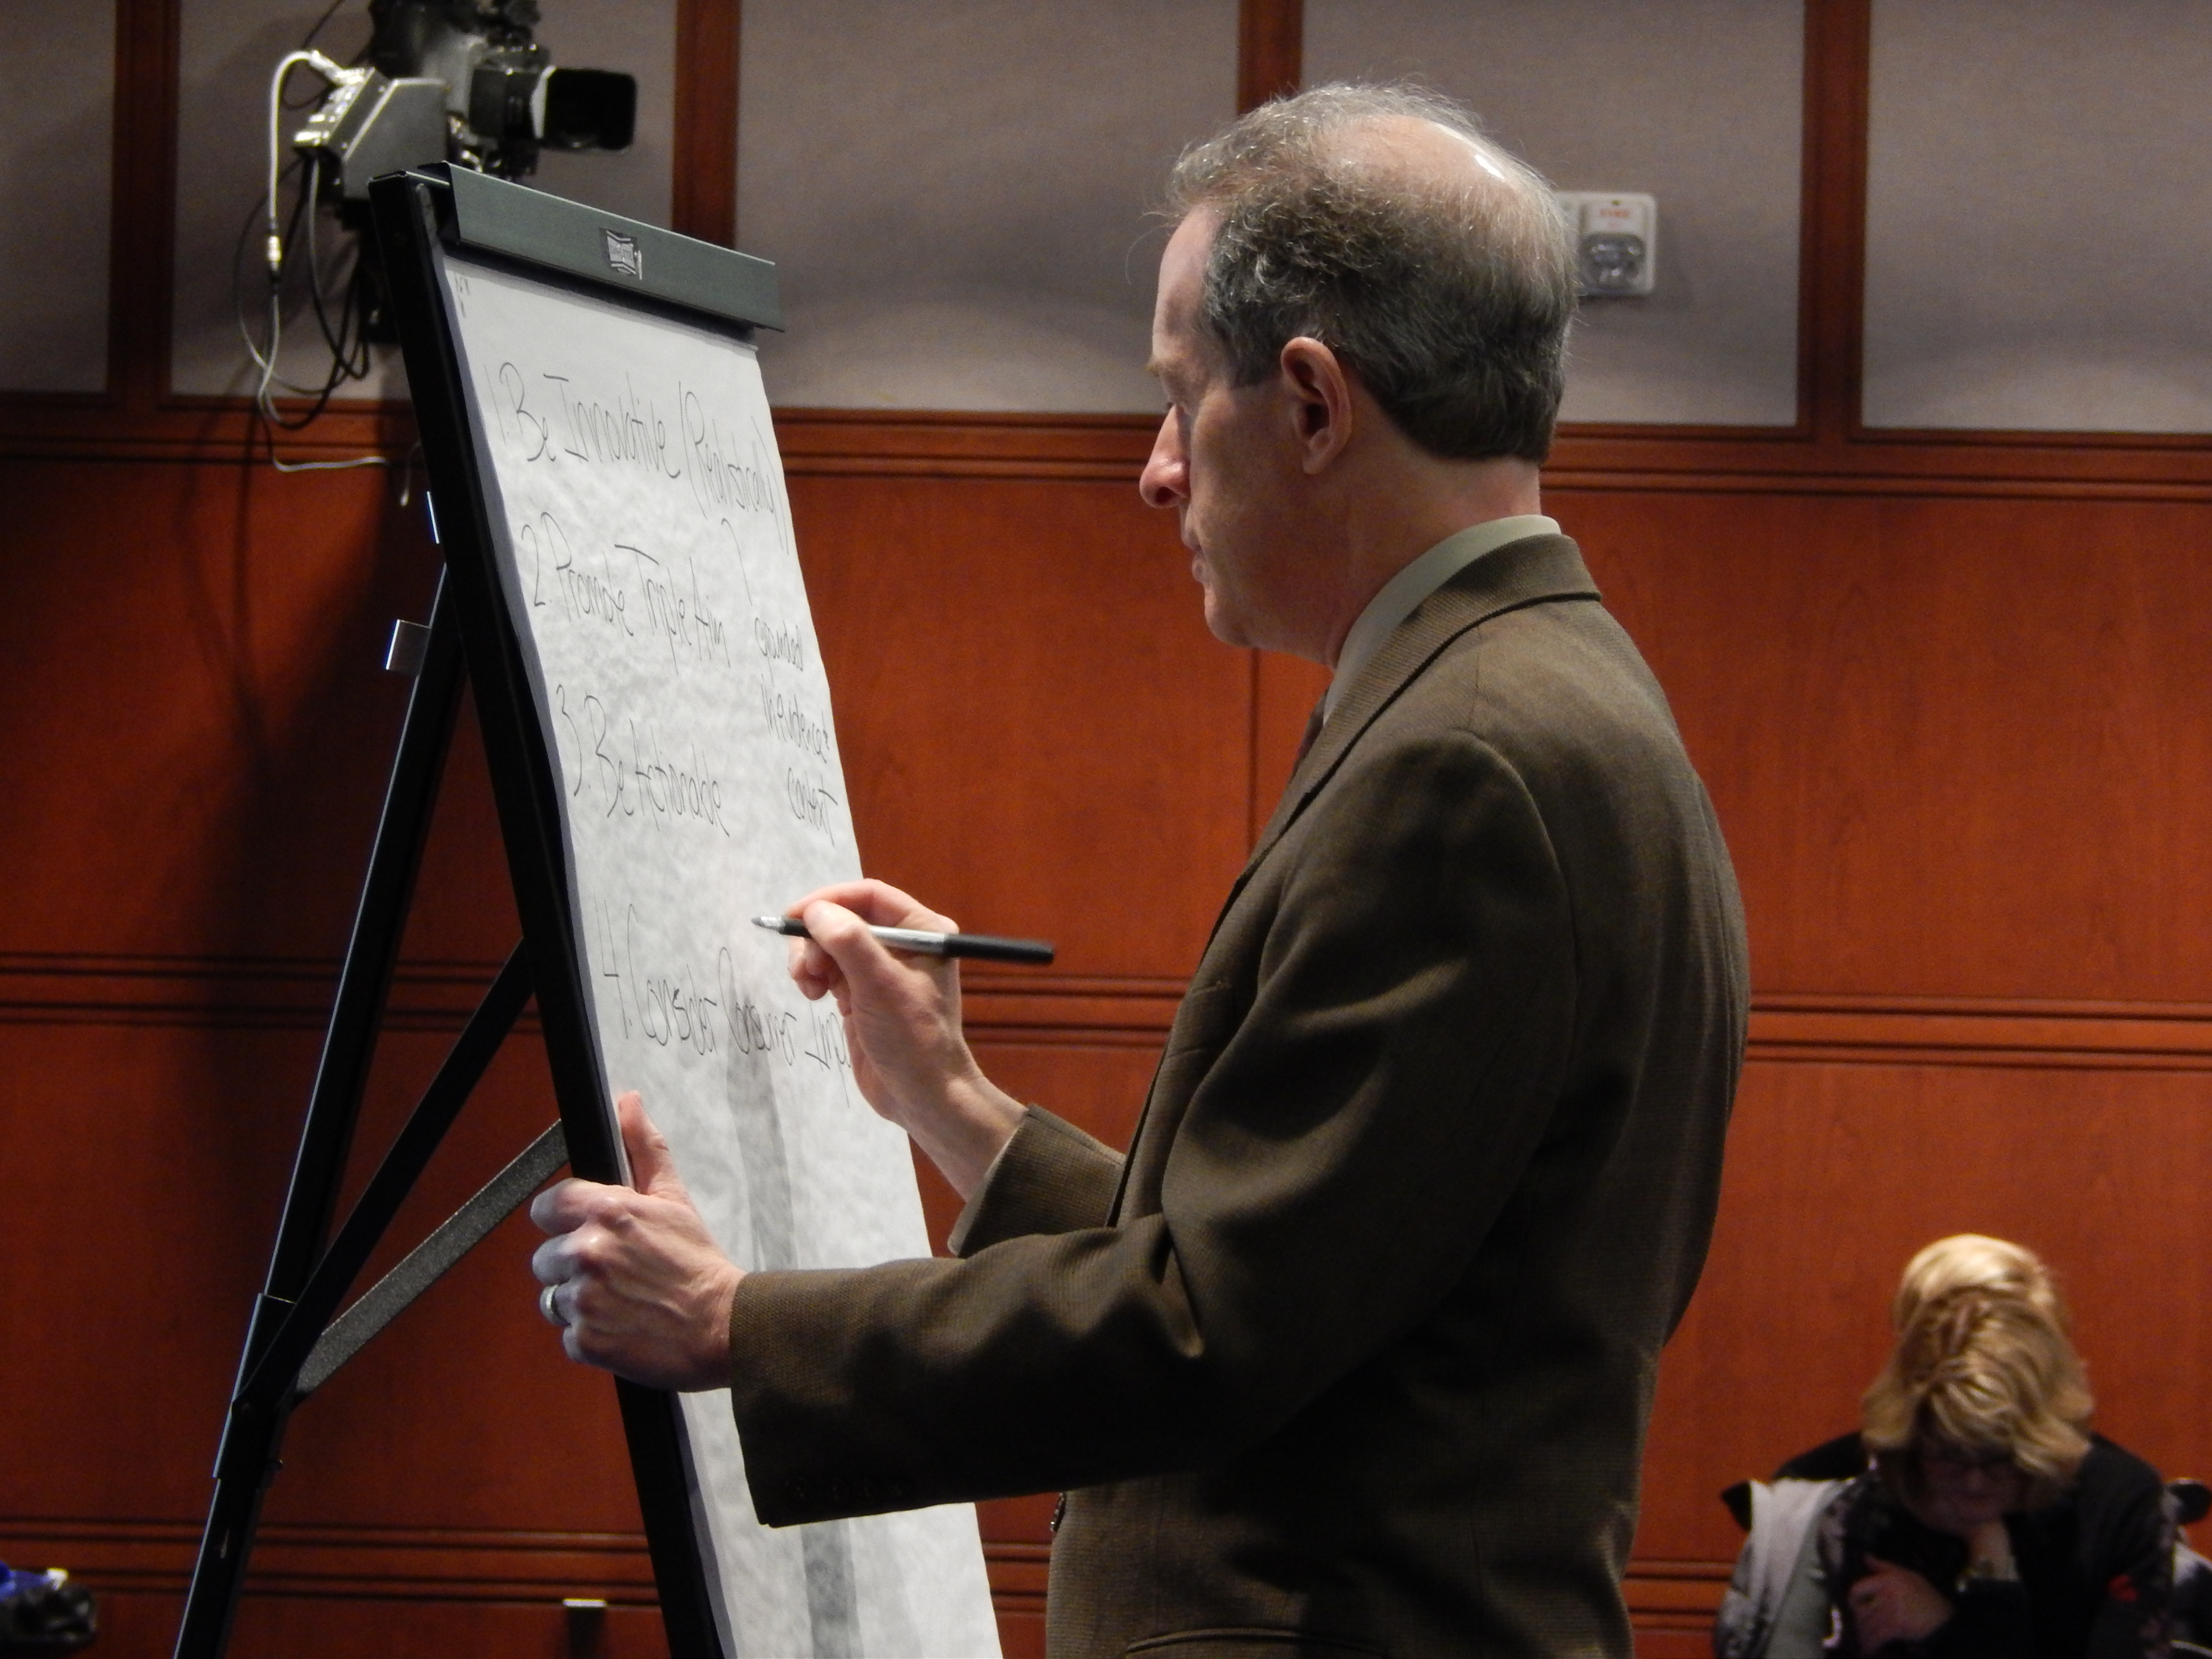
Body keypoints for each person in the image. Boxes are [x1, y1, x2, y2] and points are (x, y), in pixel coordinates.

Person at [531, 83, 1750, 1658]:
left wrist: (729, 1325)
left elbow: (1202, 1334)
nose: (1155, 471)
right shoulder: (1528, 697)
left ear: (1310, 406)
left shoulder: (1466, 764)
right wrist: (947, 1104)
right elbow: (1312, 1276)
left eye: (1180, 398)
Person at [1714, 1236, 2176, 1659]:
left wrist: (1973, 1597)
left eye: (1998, 1456)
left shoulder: (2120, 1499)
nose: (1974, 1482)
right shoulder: (1869, 1505)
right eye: (1950, 1455)